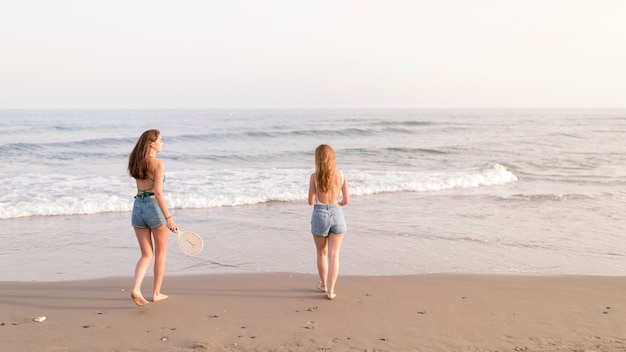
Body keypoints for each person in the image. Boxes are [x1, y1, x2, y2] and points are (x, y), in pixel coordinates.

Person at [127, 129, 178, 307]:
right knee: (161, 253)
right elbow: (157, 193)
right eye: (160, 140)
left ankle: (136, 289)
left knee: (146, 254)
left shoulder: (136, 162)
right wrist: (169, 218)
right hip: (153, 208)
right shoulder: (158, 163)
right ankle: (156, 293)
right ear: (152, 143)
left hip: (137, 208)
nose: (162, 143)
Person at [308, 144, 349, 300]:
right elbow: (346, 200)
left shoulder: (314, 176)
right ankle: (331, 291)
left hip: (319, 214)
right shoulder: (341, 175)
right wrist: (337, 205)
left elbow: (311, 201)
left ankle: (323, 284)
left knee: (322, 253)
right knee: (334, 255)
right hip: (337, 213)